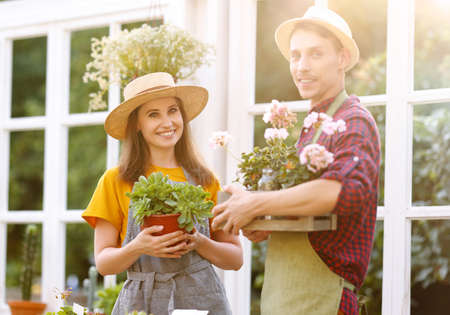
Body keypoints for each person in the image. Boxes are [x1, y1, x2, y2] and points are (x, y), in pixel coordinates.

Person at [211, 6, 380, 315]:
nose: (302, 66)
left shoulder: (354, 120)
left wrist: (256, 203)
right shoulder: (313, 128)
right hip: (285, 300)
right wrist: (270, 223)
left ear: (342, 58)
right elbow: (312, 214)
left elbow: (341, 191)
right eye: (296, 55)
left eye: (315, 54)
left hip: (324, 301)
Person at [82, 72, 242, 315]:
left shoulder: (206, 179)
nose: (167, 122)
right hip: (141, 302)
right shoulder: (115, 180)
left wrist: (199, 242)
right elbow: (104, 263)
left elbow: (235, 258)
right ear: (137, 124)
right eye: (153, 114)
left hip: (201, 300)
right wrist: (138, 247)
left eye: (173, 110)